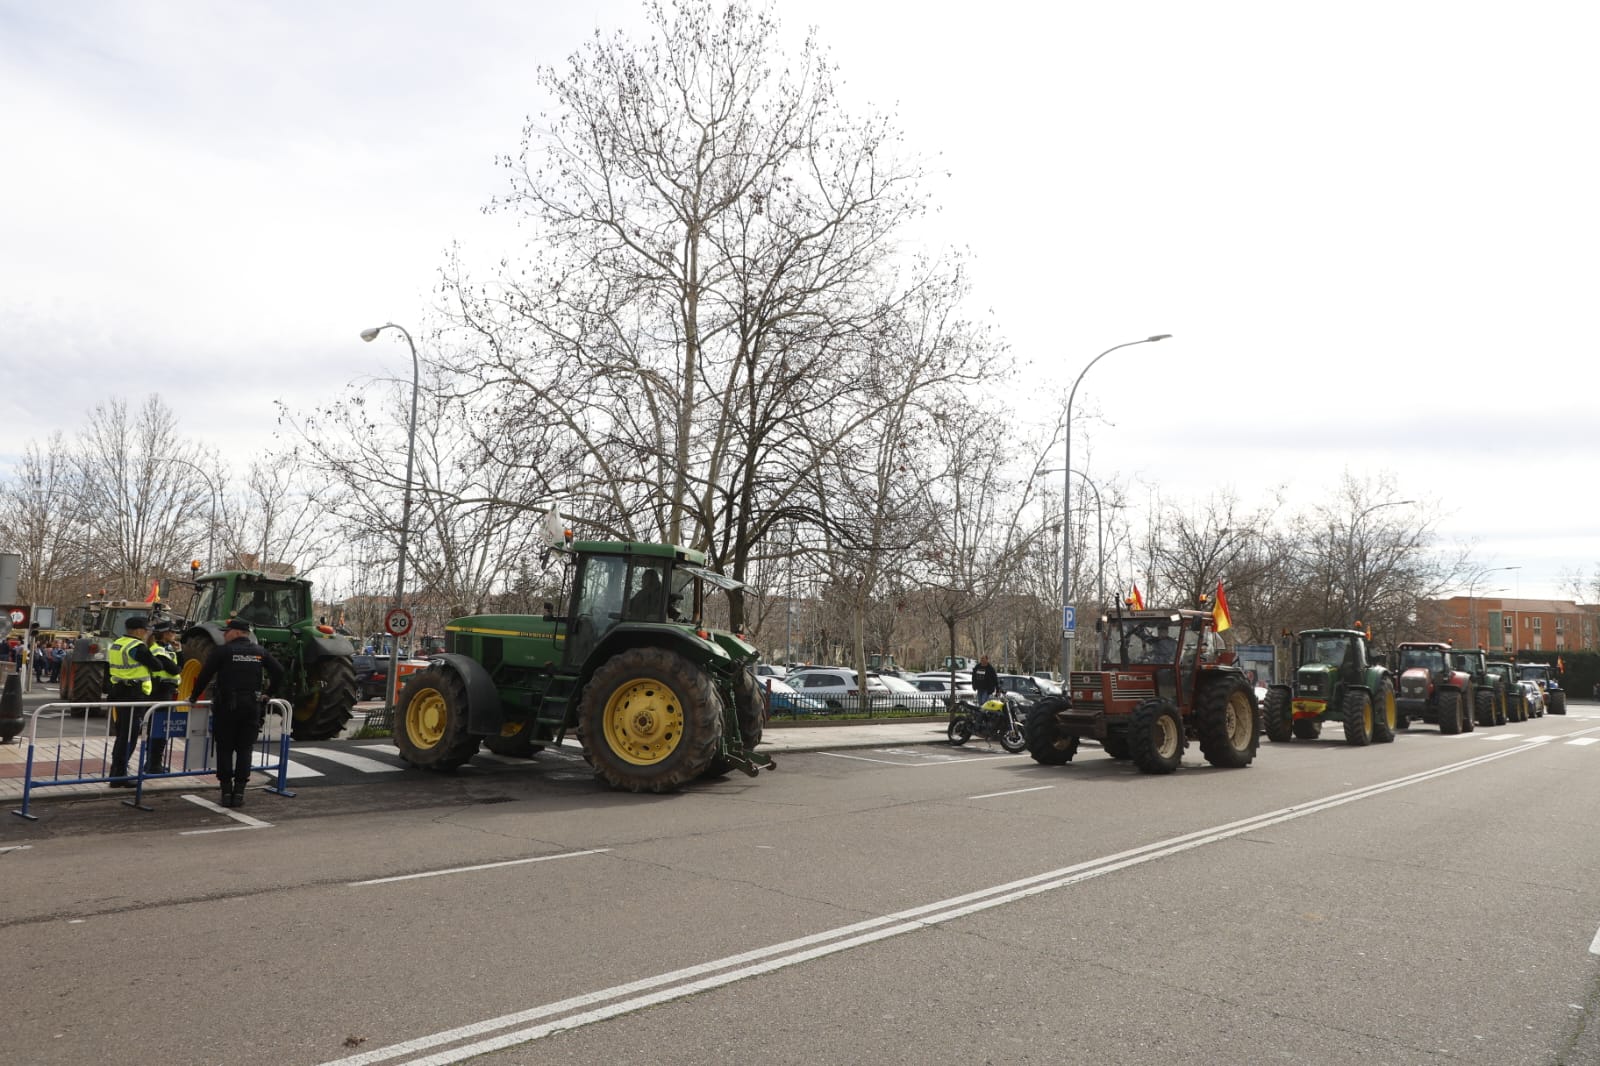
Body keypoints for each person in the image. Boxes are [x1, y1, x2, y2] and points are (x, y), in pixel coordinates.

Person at [187, 618, 285, 808]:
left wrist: (193, 696)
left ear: (239, 632)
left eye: (228, 631)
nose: (224, 634)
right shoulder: (260, 652)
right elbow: (279, 672)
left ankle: (226, 792)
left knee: (224, 749)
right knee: (244, 749)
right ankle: (239, 793)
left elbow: (205, 674)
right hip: (251, 707)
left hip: (227, 707)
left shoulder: (223, 651)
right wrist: (269, 694)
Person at [106, 616, 163, 786]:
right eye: (146, 630)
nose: (147, 633)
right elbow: (157, 665)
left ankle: (116, 773)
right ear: (139, 630)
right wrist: (151, 646)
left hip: (119, 692)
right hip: (134, 695)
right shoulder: (137, 647)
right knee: (129, 737)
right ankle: (120, 775)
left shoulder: (117, 643)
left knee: (122, 735)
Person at [143, 621, 183, 773]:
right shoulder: (158, 650)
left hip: (164, 691)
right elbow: (175, 670)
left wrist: (178, 652)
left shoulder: (165, 649)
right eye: (172, 632)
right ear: (165, 633)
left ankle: (153, 763)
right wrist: (179, 654)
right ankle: (154, 765)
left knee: (158, 729)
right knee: (159, 730)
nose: (174, 634)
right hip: (161, 692)